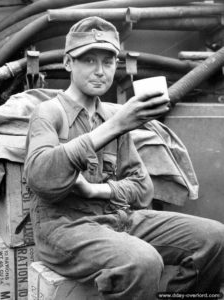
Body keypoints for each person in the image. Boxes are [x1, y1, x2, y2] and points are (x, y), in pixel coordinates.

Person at [24, 16, 224, 299]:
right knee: (142, 262)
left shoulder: (112, 115)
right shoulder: (49, 113)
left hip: (118, 219)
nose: (100, 71)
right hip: (64, 229)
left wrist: (96, 190)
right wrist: (116, 126)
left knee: (215, 239)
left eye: (107, 62)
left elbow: (143, 189)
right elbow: (41, 179)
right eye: (89, 60)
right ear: (68, 63)